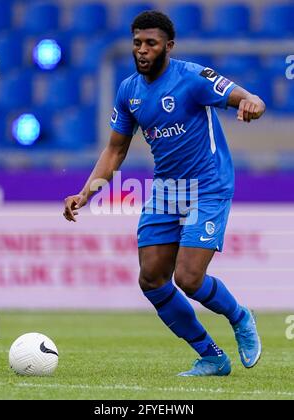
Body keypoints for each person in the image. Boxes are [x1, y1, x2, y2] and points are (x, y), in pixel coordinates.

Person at [63, 11, 265, 377]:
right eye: (137, 43)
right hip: (167, 189)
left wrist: (252, 101)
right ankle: (212, 357)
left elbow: (244, 96)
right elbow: (115, 151)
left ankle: (240, 317)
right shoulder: (129, 91)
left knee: (189, 279)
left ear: (168, 46)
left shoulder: (192, 78)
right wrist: (85, 194)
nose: (142, 50)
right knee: (152, 279)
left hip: (208, 185)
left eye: (151, 44)